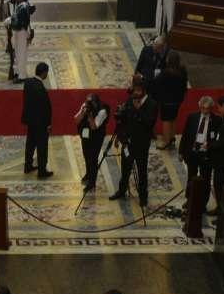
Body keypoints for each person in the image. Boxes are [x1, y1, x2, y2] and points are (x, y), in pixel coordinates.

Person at [111, 79, 158, 208]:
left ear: (143, 91)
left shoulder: (152, 104)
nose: (135, 93)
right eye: (134, 90)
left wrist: (138, 110)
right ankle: (122, 190)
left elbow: (149, 123)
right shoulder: (130, 100)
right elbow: (124, 119)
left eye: (138, 90)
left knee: (141, 171)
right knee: (125, 169)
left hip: (141, 144)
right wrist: (119, 136)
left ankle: (143, 197)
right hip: (128, 142)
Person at [178, 96, 219, 207]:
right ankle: (189, 200)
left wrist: (209, 145)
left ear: (211, 108)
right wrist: (181, 151)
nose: (205, 111)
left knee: (205, 180)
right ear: (199, 107)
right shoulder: (192, 117)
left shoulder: (216, 120)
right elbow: (185, 135)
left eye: (207, 108)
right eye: (203, 108)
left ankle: (203, 203)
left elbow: (217, 139)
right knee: (191, 177)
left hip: (206, 155)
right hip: (193, 153)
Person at [21, 61, 52, 178]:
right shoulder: (41, 88)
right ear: (43, 73)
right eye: (47, 73)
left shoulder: (28, 82)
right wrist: (48, 124)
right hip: (40, 123)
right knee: (42, 146)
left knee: (30, 144)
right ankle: (42, 171)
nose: (47, 75)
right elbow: (45, 108)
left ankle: (28, 166)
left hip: (30, 120)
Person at [74, 93, 110, 190]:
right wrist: (83, 112)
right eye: (88, 102)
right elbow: (76, 120)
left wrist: (90, 116)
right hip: (86, 134)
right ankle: (88, 174)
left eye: (91, 103)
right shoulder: (85, 105)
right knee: (86, 155)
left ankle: (92, 182)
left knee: (93, 159)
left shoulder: (103, 111)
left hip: (97, 136)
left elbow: (94, 126)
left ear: (96, 103)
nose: (89, 104)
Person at [154, 50, 188, 149]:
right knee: (173, 118)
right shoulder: (182, 70)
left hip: (166, 101)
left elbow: (156, 82)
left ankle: (166, 141)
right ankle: (172, 137)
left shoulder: (166, 73)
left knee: (166, 120)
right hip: (178, 100)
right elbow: (184, 85)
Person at [7, 0, 34, 83]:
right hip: (20, 33)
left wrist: (11, 21)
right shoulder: (21, 5)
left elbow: (20, 24)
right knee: (18, 53)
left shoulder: (23, 7)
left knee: (21, 54)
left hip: (22, 33)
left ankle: (22, 76)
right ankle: (19, 72)